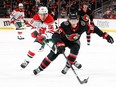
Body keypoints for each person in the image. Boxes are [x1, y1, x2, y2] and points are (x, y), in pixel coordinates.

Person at [33, 12, 114, 75]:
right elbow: (55, 35)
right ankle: (40, 68)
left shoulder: (83, 25)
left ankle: (67, 66)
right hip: (62, 40)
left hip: (74, 42)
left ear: (78, 20)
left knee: (75, 49)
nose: (74, 22)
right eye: (72, 20)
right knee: (52, 55)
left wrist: (105, 36)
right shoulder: (64, 25)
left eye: (75, 20)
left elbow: (95, 29)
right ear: (69, 20)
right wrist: (59, 43)